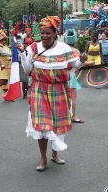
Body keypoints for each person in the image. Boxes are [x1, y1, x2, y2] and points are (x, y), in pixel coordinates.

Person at [16, 16, 87, 171]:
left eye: (48, 33)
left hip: (59, 91)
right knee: (42, 126)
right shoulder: (33, 48)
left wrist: (81, 60)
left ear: (55, 33)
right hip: (39, 90)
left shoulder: (64, 48)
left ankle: (55, 154)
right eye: (42, 33)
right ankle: (43, 159)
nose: (44, 36)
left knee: (57, 125)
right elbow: (28, 69)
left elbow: (75, 65)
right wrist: (22, 54)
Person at [65, 29, 84, 123]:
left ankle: (64, 116)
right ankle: (73, 116)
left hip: (62, 75)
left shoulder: (63, 49)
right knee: (73, 97)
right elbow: (79, 65)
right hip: (71, 75)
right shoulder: (76, 51)